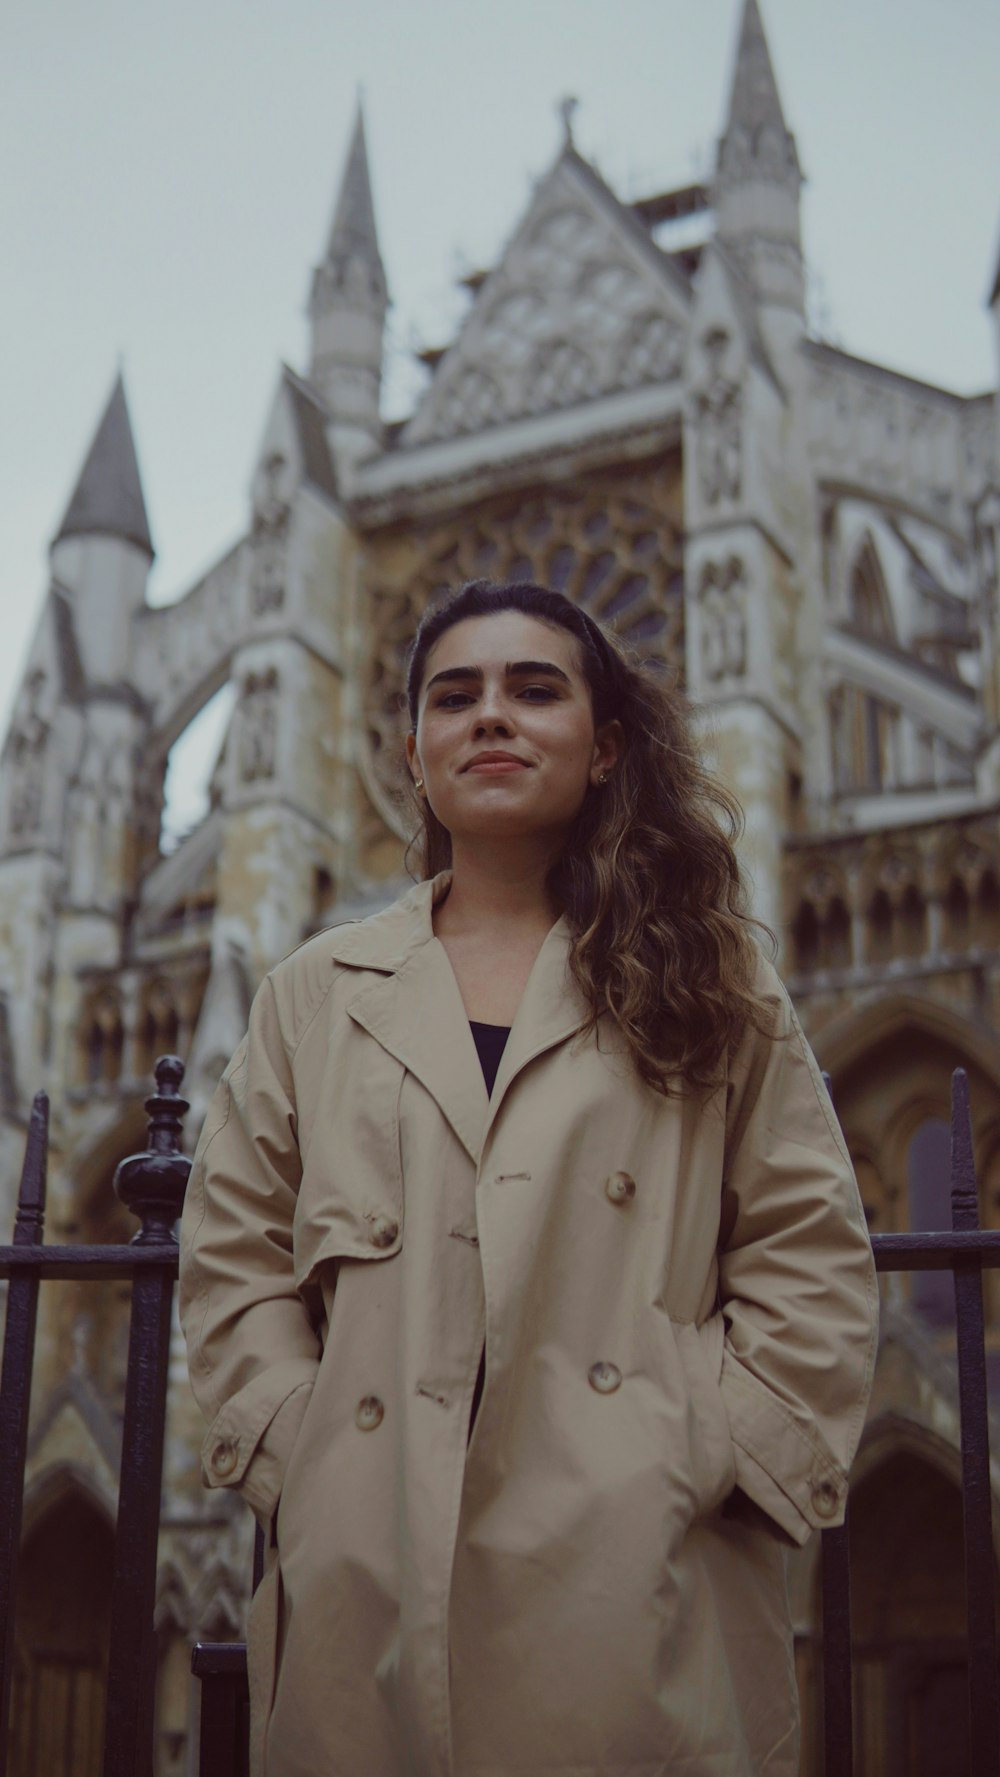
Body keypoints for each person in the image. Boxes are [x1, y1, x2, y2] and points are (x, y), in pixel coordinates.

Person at [179, 579, 878, 1777]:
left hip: (634, 1592)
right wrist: (315, 1462)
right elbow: (231, 1252)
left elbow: (808, 1246)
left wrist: (694, 1448)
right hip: (372, 1577)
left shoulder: (715, 979)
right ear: (413, 754)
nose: (490, 717)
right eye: (455, 697)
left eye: (533, 689)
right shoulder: (315, 990)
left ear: (606, 747)